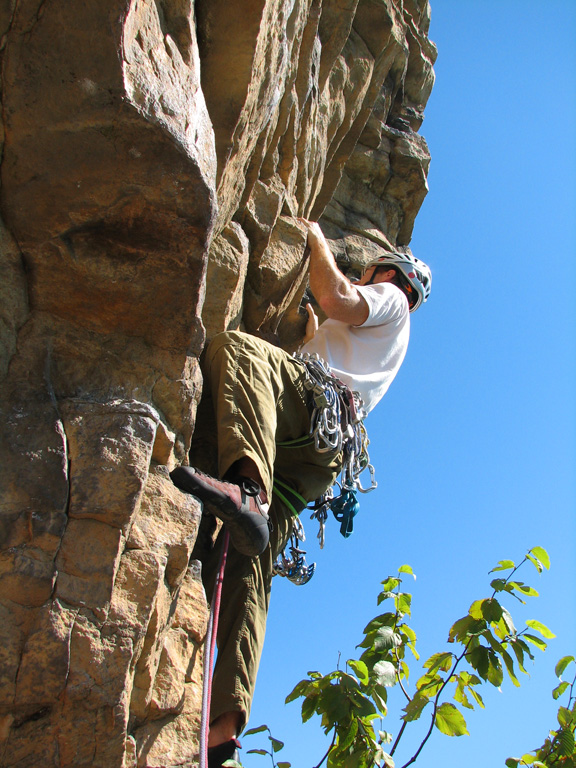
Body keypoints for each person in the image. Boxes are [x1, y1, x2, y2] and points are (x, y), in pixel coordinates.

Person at [170, 219, 432, 767]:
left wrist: (315, 237)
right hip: (314, 455)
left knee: (240, 352)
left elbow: (336, 295)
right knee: (249, 560)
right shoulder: (375, 344)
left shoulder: (391, 299)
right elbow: (328, 340)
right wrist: (313, 330)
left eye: (374, 270)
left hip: (313, 419)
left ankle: (247, 489)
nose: (368, 275)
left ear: (394, 274)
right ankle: (224, 727)